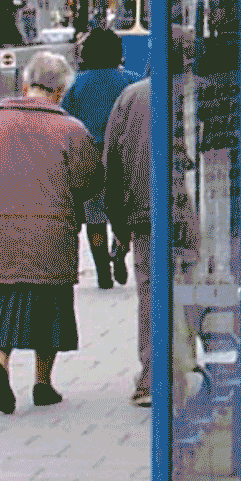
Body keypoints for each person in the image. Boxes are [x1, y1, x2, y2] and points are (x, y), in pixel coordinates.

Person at [0, 52, 101, 413]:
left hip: (0, 230)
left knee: (4, 299)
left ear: (26, 84)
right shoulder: (71, 128)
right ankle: (42, 383)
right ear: (60, 90)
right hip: (52, 233)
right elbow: (89, 180)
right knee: (51, 306)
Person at [60, 28, 139, 288]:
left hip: (90, 159)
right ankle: (120, 252)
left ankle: (102, 269)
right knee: (125, 213)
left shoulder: (75, 85)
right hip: (124, 157)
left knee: (95, 218)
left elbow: (65, 123)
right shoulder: (132, 82)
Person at [103, 78, 153, 406]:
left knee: (154, 293)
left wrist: (119, 225)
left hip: (151, 214)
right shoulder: (220, 85)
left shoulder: (133, 96)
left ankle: (153, 378)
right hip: (218, 210)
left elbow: (114, 163)